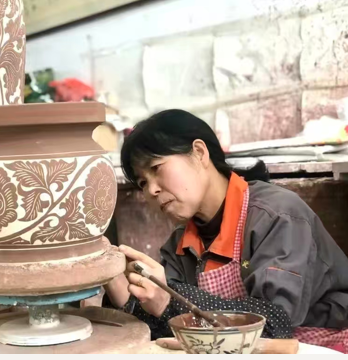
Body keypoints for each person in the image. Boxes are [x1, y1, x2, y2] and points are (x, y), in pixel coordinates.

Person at [109, 109, 348, 351]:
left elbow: (275, 324)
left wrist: (170, 301)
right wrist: (124, 293)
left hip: (323, 345)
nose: (151, 190)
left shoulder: (277, 215)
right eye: (142, 183)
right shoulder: (179, 246)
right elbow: (168, 329)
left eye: (157, 168)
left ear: (200, 153)